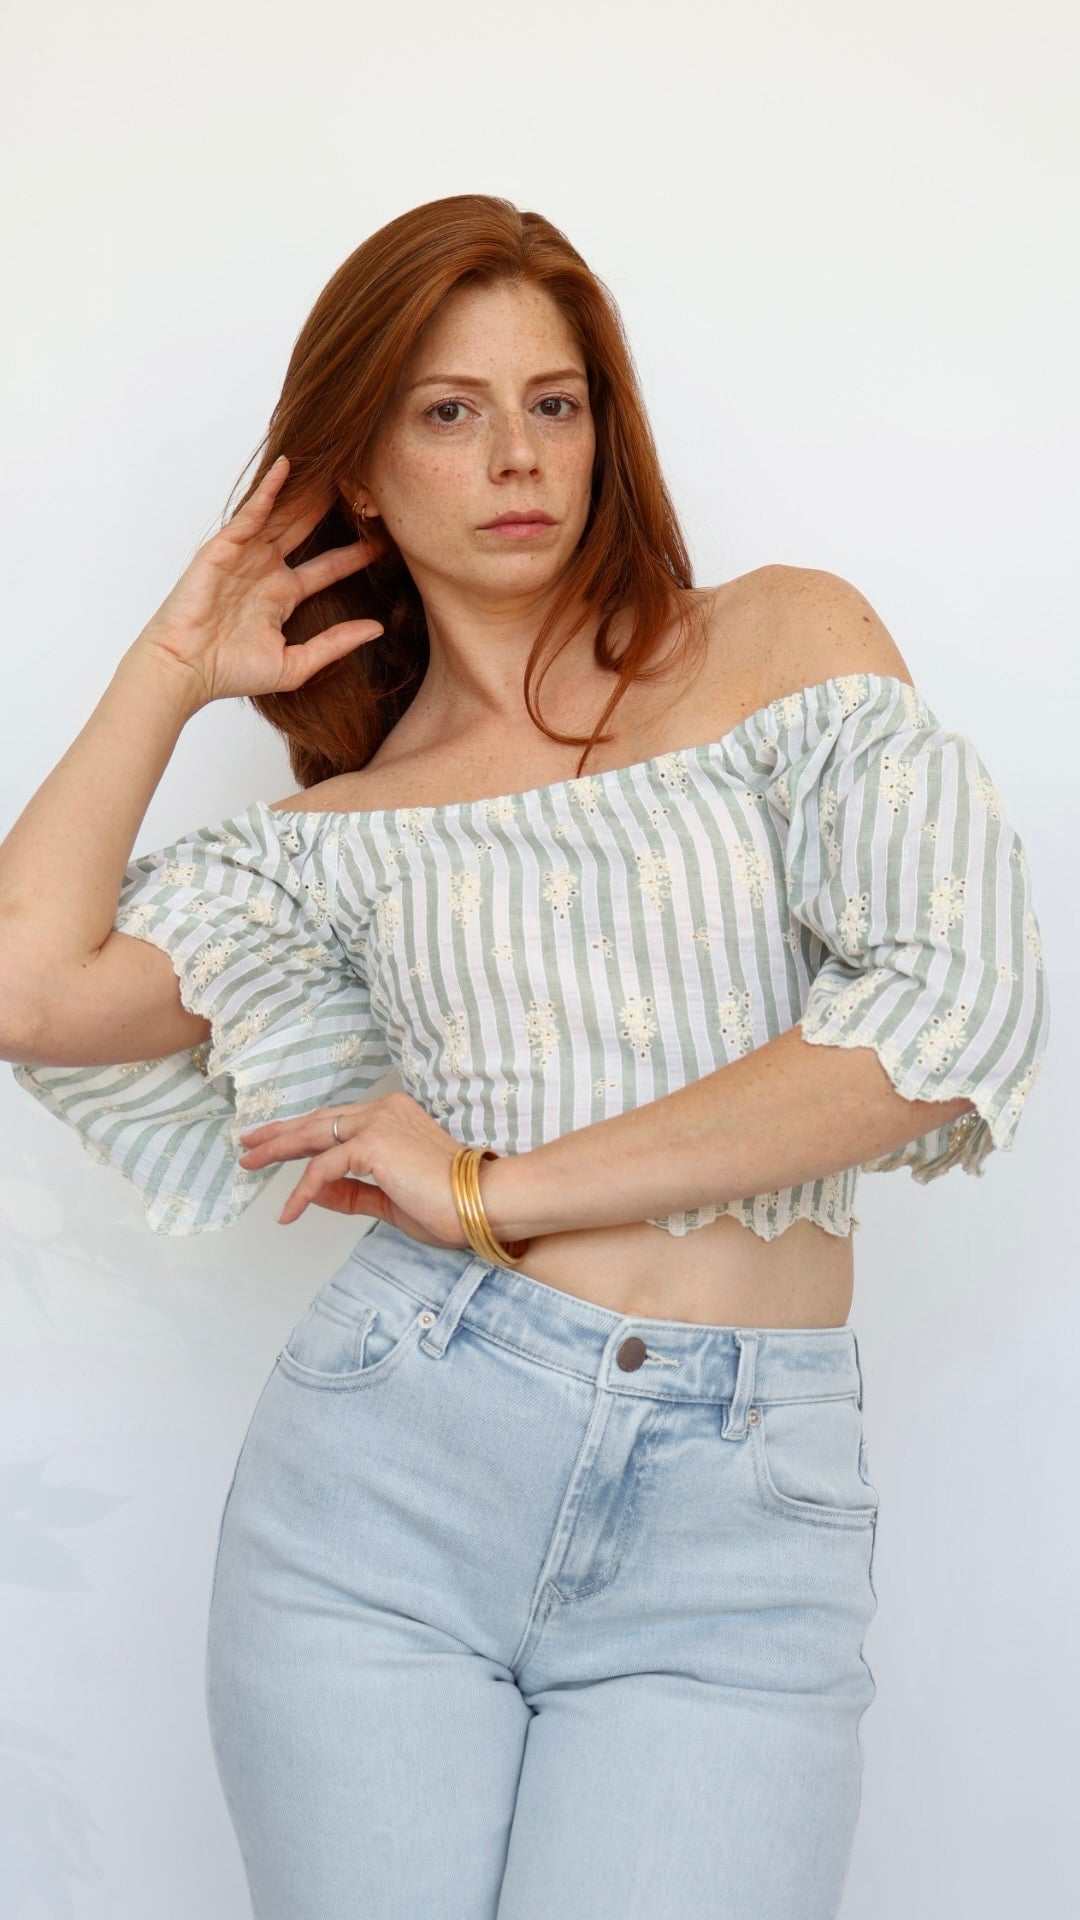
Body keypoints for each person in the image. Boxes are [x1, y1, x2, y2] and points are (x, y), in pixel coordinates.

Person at [0, 194, 1050, 1920]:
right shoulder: (336, 841)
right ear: (356, 473)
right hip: (388, 1496)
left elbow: (951, 1016)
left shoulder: (781, 647)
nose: (516, 455)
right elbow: (30, 989)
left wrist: (497, 1188)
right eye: (449, 409)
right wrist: (171, 665)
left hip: (742, 1515)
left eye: (555, 402)